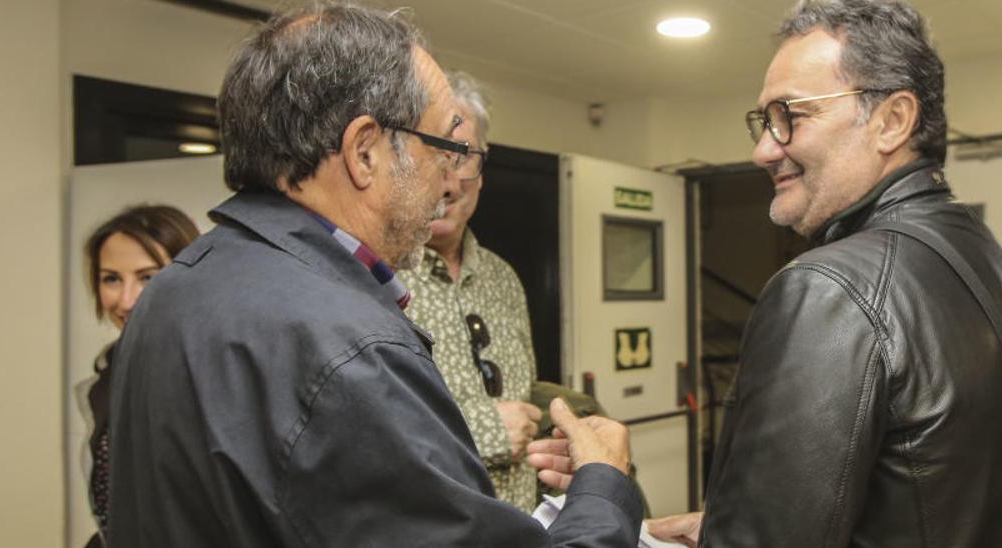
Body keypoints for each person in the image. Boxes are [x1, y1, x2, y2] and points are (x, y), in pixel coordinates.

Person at [107, 3, 642, 547]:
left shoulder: (176, 286)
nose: (447, 182)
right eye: (441, 149)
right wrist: (604, 485)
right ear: (364, 153)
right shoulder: (350, 349)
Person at [648, 0, 1002, 545]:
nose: (763, 148)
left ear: (892, 121)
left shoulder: (829, 287)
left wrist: (602, 506)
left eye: (792, 115)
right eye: (764, 120)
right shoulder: (981, 259)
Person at [399, 70, 543, 513]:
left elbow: (525, 395)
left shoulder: (503, 278)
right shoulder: (373, 276)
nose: (449, 180)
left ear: (482, 168)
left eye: (462, 156)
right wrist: (486, 430)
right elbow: (357, 432)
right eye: (435, 153)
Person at [76, 204, 199, 547]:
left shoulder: (212, 373)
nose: (126, 300)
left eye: (148, 277)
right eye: (111, 279)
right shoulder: (109, 372)